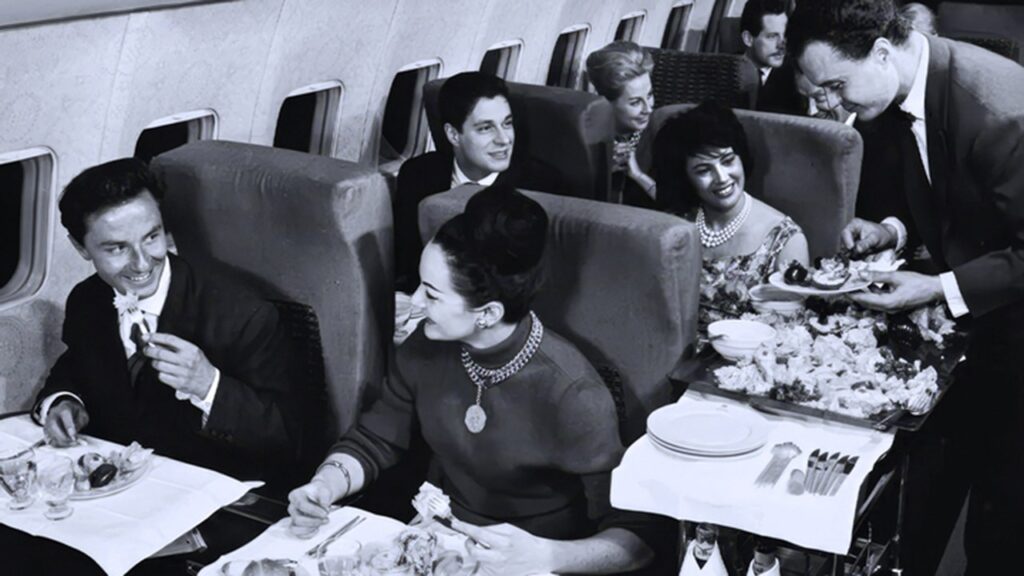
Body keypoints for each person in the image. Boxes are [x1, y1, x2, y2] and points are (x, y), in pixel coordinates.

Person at [289, 185, 656, 575]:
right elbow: (375, 440)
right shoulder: (424, 347)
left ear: (488, 313)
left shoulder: (573, 394)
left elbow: (639, 540)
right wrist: (325, 484)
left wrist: (546, 556)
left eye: (432, 295)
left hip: (535, 560)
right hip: (439, 544)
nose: (415, 302)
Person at [787, 1, 1024, 574]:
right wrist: (891, 229)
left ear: (881, 52)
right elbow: (958, 198)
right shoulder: (910, 87)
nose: (833, 104)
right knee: (942, 480)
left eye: (837, 86)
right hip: (985, 320)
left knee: (1002, 516)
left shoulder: (999, 113)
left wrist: (936, 288)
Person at [34, 158, 301, 491]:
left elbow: (287, 437)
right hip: (119, 487)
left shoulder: (243, 313)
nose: (142, 263)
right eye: (117, 248)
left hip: (207, 491)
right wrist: (64, 400)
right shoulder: (86, 300)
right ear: (81, 248)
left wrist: (209, 386)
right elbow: (76, 367)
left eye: (151, 237)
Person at [393, 71, 563, 292]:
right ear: (453, 135)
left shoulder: (544, 186)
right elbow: (405, 263)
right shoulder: (417, 174)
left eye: (507, 124)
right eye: (486, 128)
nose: (504, 139)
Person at [653, 101, 809, 325]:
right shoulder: (675, 222)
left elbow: (791, 330)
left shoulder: (786, 239)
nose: (722, 177)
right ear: (685, 177)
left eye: (727, 161)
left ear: (741, 157)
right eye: (703, 170)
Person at [585, 41, 657, 208]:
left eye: (649, 95)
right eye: (635, 102)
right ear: (606, 102)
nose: (648, 109)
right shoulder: (584, 138)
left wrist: (638, 175)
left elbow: (686, 208)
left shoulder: (662, 131)